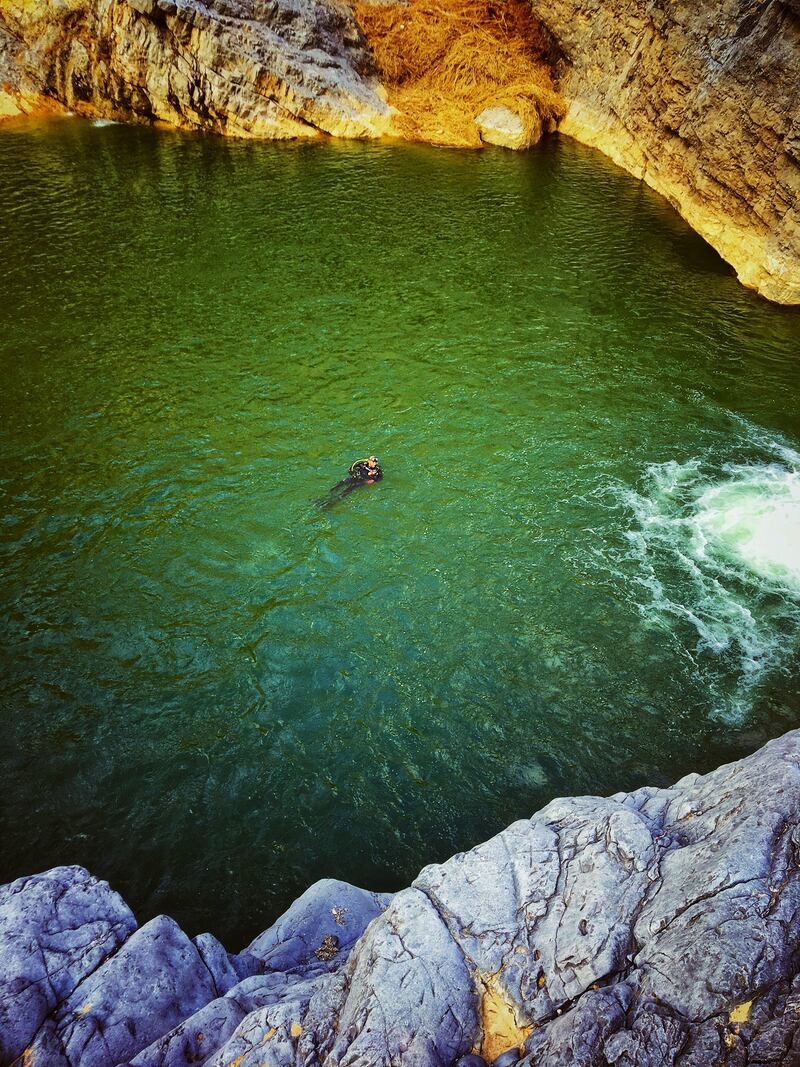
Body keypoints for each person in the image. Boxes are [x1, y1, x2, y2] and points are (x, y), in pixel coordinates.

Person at [317, 455, 383, 509]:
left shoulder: (377, 469)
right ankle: (328, 495)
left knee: (349, 489)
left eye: (375, 462)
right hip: (355, 477)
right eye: (373, 462)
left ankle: (333, 502)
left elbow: (380, 478)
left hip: (362, 481)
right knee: (342, 482)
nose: (374, 463)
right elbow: (351, 469)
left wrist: (373, 480)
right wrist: (354, 473)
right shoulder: (362, 465)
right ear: (368, 461)